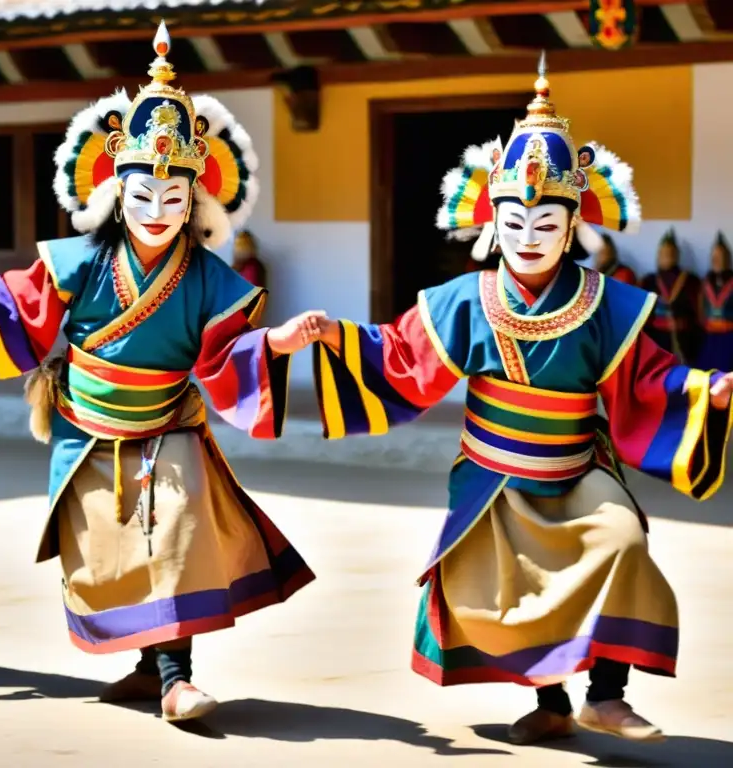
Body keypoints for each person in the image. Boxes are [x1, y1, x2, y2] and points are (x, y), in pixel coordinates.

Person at [0, 23, 316, 723]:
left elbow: (225, 357)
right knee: (115, 555)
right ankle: (148, 668)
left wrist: (277, 342)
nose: (156, 212)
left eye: (173, 199)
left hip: (169, 426)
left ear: (195, 200)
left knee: (175, 539)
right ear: (118, 191)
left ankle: (178, 678)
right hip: (86, 428)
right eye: (142, 197)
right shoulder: (81, 260)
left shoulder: (210, 278)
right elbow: (12, 301)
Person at [309, 57, 733, 745]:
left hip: (576, 465)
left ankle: (607, 694)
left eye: (545, 223)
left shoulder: (605, 303)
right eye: (515, 223)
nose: (529, 237)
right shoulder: (463, 301)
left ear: (572, 227)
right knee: (513, 590)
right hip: (494, 474)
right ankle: (552, 701)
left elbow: (649, 376)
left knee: (622, 539)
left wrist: (703, 390)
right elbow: (400, 354)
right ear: (492, 223)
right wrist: (336, 336)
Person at [640, 228, 701, 363]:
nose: (668, 256)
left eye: (672, 253)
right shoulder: (647, 281)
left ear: (678, 255)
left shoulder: (691, 281)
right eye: (664, 253)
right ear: (658, 255)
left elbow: (698, 315)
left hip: (685, 340)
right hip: (656, 339)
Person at [698, 232, 733, 371]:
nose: (716, 260)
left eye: (720, 257)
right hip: (709, 336)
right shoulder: (705, 282)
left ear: (728, 259)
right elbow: (699, 307)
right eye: (714, 257)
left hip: (729, 337)